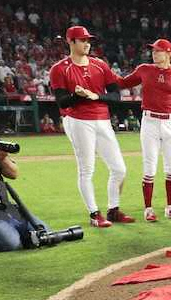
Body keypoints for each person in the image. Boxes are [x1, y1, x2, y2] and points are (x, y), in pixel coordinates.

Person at [50, 26, 132, 228]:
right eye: (82, 40)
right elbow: (62, 102)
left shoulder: (100, 65)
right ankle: (94, 214)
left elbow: (116, 96)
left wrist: (97, 96)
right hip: (78, 120)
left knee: (119, 169)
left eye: (88, 40)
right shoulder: (60, 68)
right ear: (71, 42)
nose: (87, 43)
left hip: (102, 119)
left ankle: (113, 210)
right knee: (87, 169)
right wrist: (77, 96)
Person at [119, 38, 171, 222]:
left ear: (168, 53)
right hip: (149, 122)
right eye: (153, 51)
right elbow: (123, 83)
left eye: (158, 51)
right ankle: (148, 209)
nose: (154, 53)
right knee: (149, 168)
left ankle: (170, 207)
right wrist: (103, 74)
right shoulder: (144, 69)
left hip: (170, 124)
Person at [0, 148, 48, 251]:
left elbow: (13, 174)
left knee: (44, 234)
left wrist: (3, 158)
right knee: (13, 244)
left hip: (8, 209)